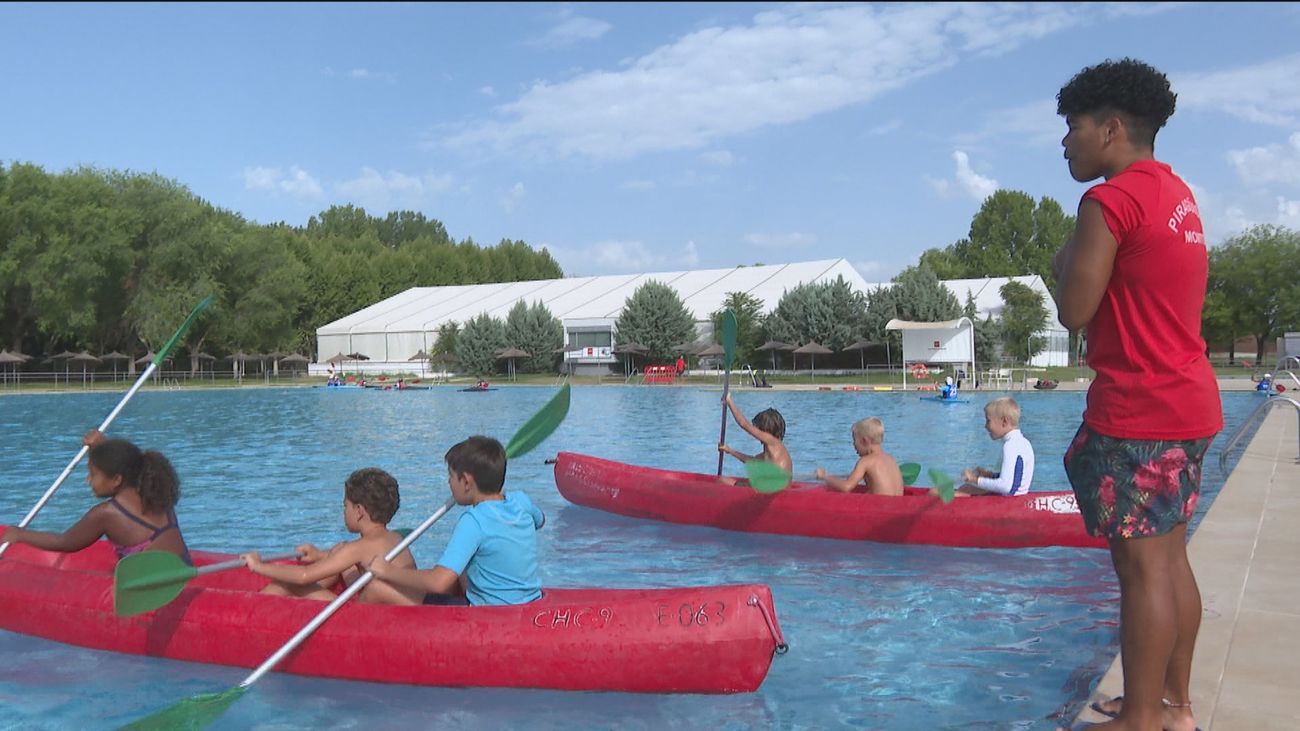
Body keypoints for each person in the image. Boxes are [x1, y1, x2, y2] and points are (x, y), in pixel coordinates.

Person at [1052, 58, 1221, 731]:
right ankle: (1172, 705)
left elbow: (1073, 309)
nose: (1065, 142)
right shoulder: (1176, 193)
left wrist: (1068, 261)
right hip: (1190, 401)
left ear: (1112, 129)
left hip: (1140, 410)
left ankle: (1142, 720)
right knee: (1171, 558)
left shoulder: (1109, 200)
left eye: (1073, 128)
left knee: (1141, 568)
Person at [368, 435, 544, 606]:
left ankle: (353, 630)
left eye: (451, 476)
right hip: (527, 603)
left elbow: (439, 582)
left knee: (376, 588)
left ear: (466, 482)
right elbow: (540, 520)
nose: (449, 482)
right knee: (462, 567)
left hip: (488, 615)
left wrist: (387, 571)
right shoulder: (521, 501)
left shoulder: (474, 521)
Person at [1, 430, 191, 564]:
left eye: (93, 474)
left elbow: (66, 542)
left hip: (149, 590)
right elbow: (122, 464)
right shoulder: (156, 494)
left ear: (116, 479)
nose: (88, 480)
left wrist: (19, 534)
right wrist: (100, 446)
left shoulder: (107, 514)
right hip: (179, 574)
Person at [242, 467, 421, 605]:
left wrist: (258, 566)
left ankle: (248, 611)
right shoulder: (394, 538)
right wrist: (320, 554)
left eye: (345, 506)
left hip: (373, 619)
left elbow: (303, 575)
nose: (343, 511)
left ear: (359, 511)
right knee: (340, 550)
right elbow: (357, 556)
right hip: (404, 605)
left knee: (291, 584)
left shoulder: (360, 548)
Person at [950, 398, 1035, 497]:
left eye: (988, 421)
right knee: (966, 488)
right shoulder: (1024, 442)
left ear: (1004, 421)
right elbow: (1015, 478)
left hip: (1009, 502)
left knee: (961, 491)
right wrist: (990, 475)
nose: (985, 426)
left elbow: (1006, 487)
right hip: (1017, 497)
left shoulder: (1010, 446)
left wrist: (975, 479)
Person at [814, 417, 903, 495]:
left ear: (865, 441)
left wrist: (824, 476)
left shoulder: (865, 461)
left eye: (854, 440)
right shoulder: (891, 459)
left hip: (881, 509)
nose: (853, 445)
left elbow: (846, 487)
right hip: (899, 505)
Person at [718, 393, 792, 474]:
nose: (754, 432)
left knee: (722, 481)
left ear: (765, 429)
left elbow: (743, 424)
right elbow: (752, 461)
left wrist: (729, 401)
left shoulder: (771, 440)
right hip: (778, 484)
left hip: (775, 485)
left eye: (756, 428)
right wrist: (729, 450)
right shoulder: (773, 451)